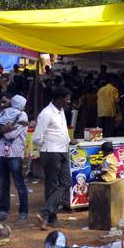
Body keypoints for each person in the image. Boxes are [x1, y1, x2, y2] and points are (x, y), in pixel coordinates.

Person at [34, 87, 74, 230]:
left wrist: (68, 141)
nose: (69, 101)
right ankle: (50, 218)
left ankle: (45, 213)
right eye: (67, 99)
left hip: (63, 150)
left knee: (66, 182)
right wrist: (49, 145)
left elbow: (63, 130)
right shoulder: (46, 114)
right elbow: (37, 138)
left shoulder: (61, 111)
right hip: (51, 152)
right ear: (59, 99)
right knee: (52, 184)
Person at [0, 94, 29, 222]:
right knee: (11, 184)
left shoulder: (6, 114)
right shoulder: (21, 115)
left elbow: (8, 135)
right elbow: (5, 133)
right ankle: (7, 212)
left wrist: (1, 130)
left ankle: (20, 212)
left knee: (10, 184)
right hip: (6, 154)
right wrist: (5, 130)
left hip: (9, 154)